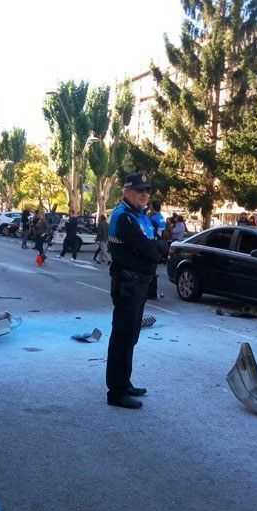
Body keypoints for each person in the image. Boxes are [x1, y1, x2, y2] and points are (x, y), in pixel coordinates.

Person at [106, 173, 167, 409]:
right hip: (127, 283)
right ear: (126, 191)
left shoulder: (140, 216)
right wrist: (156, 249)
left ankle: (125, 382)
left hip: (139, 283)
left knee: (131, 335)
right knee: (122, 336)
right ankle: (116, 392)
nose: (145, 195)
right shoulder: (124, 217)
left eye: (147, 191)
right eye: (140, 190)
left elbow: (156, 246)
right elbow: (151, 251)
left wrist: (156, 248)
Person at [147, 200, 166, 299]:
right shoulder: (161, 218)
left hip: (153, 243)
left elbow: (149, 231)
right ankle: (152, 291)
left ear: (153, 207)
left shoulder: (153, 218)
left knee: (150, 268)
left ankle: (151, 292)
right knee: (153, 267)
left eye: (150, 206)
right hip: (160, 243)